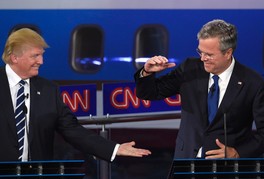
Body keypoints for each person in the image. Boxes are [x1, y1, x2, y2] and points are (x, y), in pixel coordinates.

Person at [134, 19, 264, 159]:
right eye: (200, 52)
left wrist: (237, 152)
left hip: (228, 172)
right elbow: (149, 93)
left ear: (228, 53)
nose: (203, 58)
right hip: (186, 166)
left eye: (209, 55)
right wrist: (147, 72)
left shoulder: (252, 82)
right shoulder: (189, 69)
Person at [0, 28, 151, 162]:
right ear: (14, 58)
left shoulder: (48, 90)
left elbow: (72, 129)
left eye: (41, 55)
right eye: (35, 56)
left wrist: (113, 149)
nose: (41, 61)